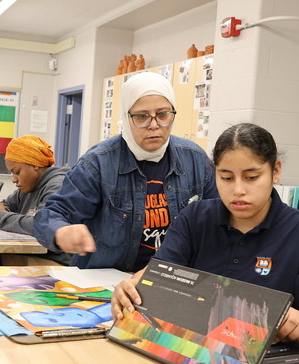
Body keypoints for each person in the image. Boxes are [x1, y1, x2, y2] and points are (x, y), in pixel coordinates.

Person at [111, 123, 299, 354]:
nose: (238, 190)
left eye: (251, 177)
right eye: (226, 178)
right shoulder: (196, 218)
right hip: (194, 352)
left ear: (275, 171)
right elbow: (157, 275)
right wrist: (132, 287)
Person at [32, 72, 218, 271]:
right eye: (142, 116)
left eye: (163, 115)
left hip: (169, 280)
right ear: (126, 117)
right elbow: (49, 215)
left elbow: (219, 216)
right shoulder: (98, 163)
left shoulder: (195, 159)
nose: (154, 125)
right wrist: (61, 231)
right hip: (106, 281)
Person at [0, 135, 70, 265]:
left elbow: (43, 225)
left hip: (55, 261)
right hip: (34, 253)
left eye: (17, 172)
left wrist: (0, 216)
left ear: (35, 165)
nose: (14, 179)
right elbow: (6, 206)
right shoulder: (27, 188)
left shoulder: (58, 186)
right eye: (12, 174)